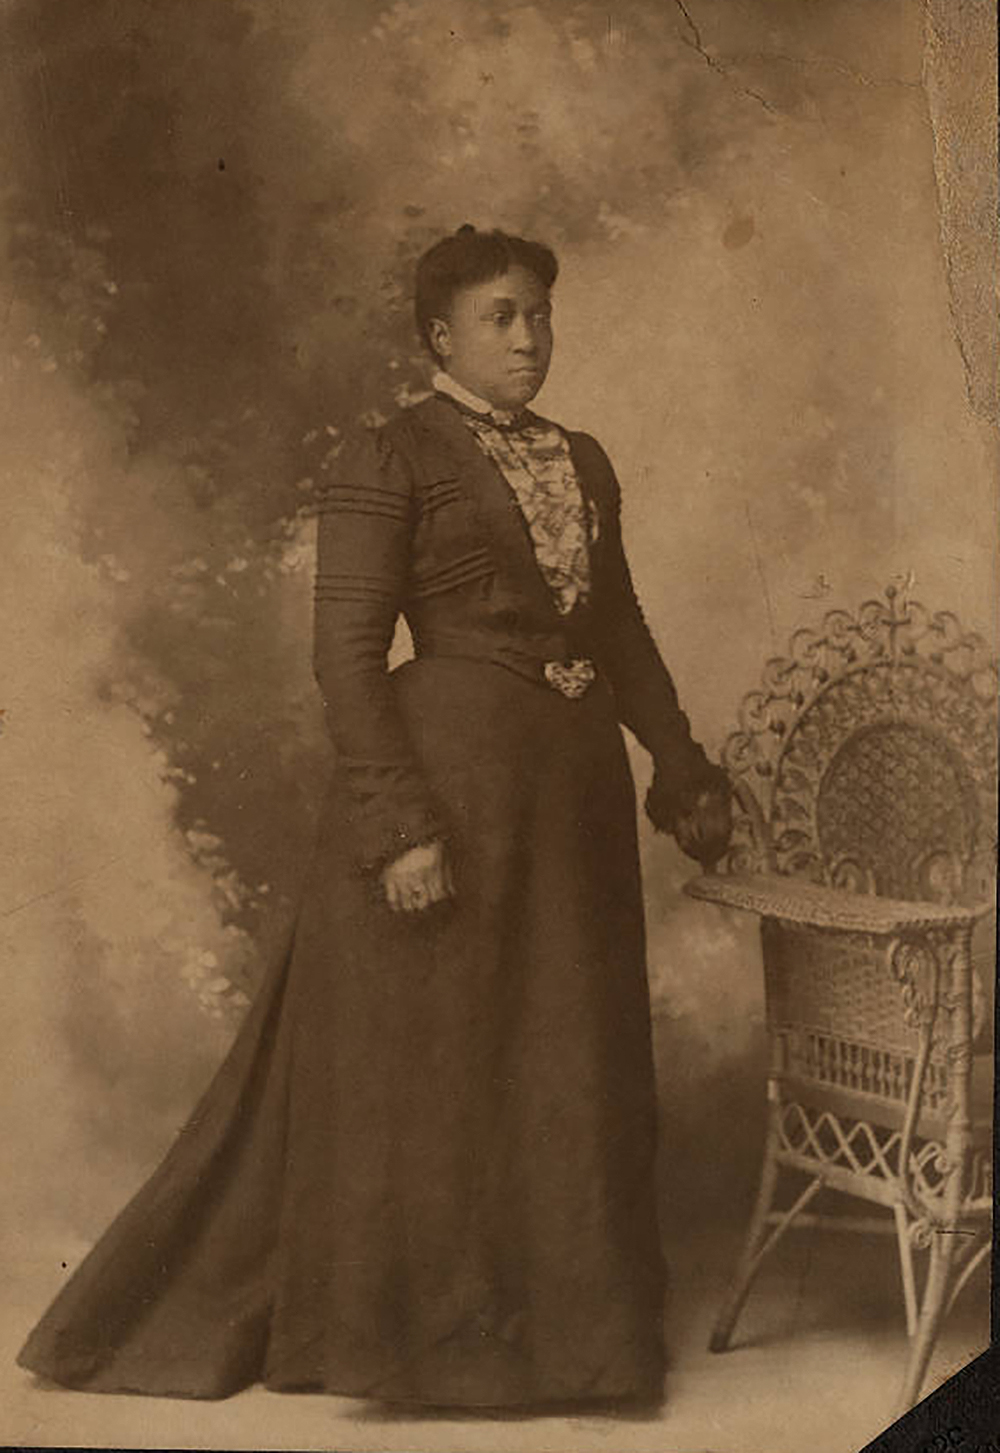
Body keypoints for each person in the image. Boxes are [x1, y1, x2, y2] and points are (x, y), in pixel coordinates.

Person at [18, 224, 731, 1409]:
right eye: (500, 317)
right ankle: (440, 1344)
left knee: (564, 1057)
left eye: (538, 314)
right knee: (452, 1066)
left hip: (569, 814)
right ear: (438, 335)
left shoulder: (583, 459)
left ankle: (577, 1345)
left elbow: (618, 630)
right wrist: (399, 824)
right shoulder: (389, 453)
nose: (527, 337)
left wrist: (683, 765)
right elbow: (346, 657)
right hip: (450, 802)